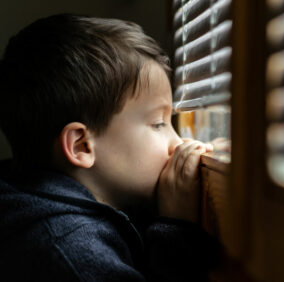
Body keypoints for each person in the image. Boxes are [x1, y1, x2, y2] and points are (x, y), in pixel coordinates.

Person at [0, 13, 220, 281]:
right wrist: (176, 230)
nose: (177, 143)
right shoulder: (73, 256)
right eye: (158, 124)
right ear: (81, 146)